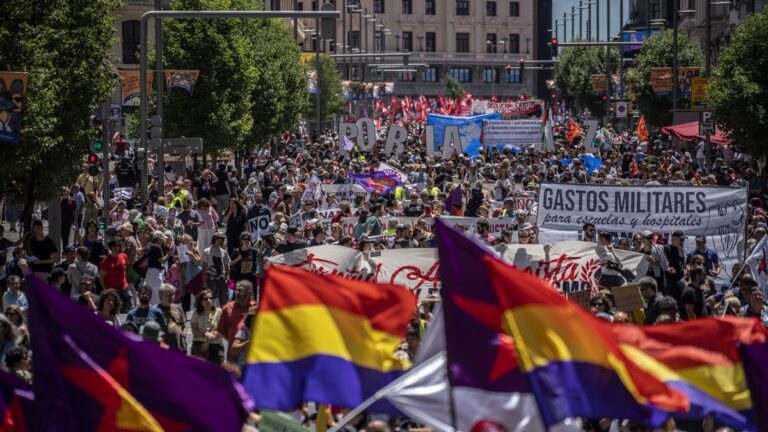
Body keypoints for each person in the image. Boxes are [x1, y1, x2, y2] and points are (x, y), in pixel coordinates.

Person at [217, 280, 256, 361]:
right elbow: (221, 329)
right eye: (236, 290)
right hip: (233, 355)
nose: (237, 293)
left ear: (249, 292)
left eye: (240, 290)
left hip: (252, 356)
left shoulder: (255, 308)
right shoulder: (227, 308)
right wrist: (233, 339)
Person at [190, 289, 224, 363]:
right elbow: (195, 331)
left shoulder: (219, 312)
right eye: (205, 299)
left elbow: (223, 328)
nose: (208, 300)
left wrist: (214, 335)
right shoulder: (196, 313)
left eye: (211, 298)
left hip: (216, 345)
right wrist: (205, 334)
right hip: (200, 346)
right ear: (200, 301)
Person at [99, 239, 131, 310]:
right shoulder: (105, 261)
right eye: (119, 245)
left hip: (125, 289)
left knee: (128, 309)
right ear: (113, 248)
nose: (121, 246)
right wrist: (107, 290)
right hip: (113, 291)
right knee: (115, 311)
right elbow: (101, 278)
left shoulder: (124, 256)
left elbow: (126, 271)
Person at [202, 233, 231, 307]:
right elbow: (204, 267)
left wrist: (227, 277)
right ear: (215, 239)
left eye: (223, 239)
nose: (222, 241)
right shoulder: (206, 251)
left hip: (222, 278)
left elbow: (227, 266)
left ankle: (224, 316)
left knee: (224, 299)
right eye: (221, 239)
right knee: (211, 298)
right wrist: (204, 281)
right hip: (211, 278)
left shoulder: (224, 252)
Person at [157, 283, 186, 352]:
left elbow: (184, 325)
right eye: (168, 295)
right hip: (164, 350)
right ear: (161, 296)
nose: (171, 297)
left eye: (173, 294)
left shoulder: (178, 308)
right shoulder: (155, 311)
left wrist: (184, 333)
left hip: (180, 347)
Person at [663, 230, 688, 302]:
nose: (682, 242)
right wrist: (667, 268)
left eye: (683, 240)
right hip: (669, 282)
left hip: (680, 281)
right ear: (673, 238)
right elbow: (661, 262)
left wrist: (685, 270)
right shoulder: (666, 248)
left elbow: (683, 263)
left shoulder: (681, 250)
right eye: (681, 239)